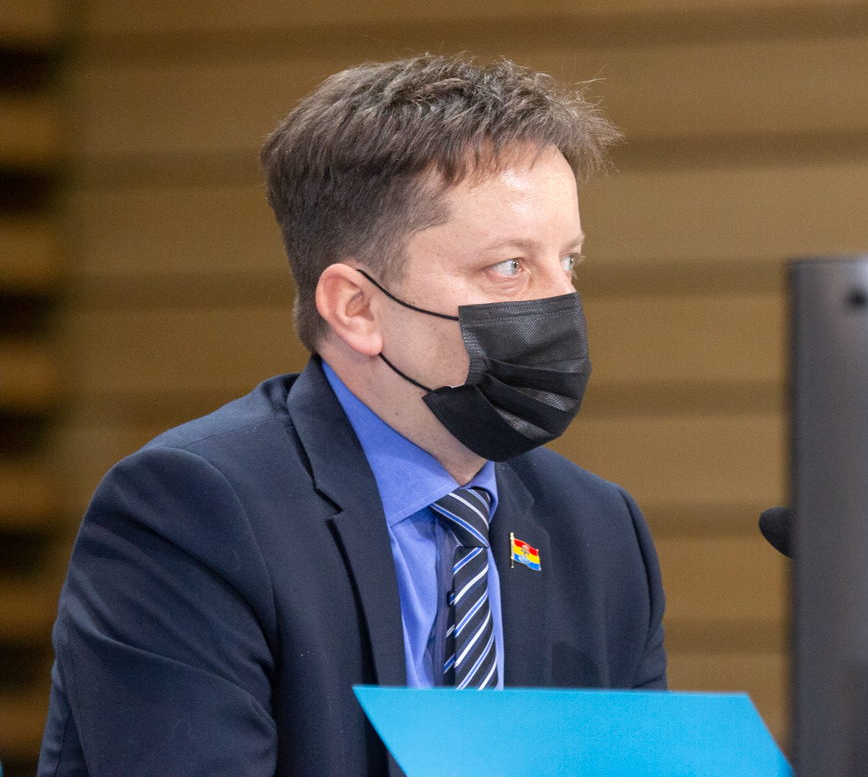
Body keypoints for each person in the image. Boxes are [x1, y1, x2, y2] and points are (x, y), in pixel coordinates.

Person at [38, 55, 667, 777]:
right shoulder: (192, 514)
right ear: (357, 308)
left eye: (569, 263)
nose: (561, 303)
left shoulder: (599, 531)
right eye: (509, 268)